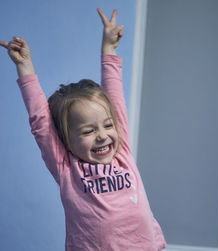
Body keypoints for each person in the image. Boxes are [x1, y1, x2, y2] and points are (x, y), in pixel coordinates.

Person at [0, 8, 167, 251]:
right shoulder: (66, 168)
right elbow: (41, 124)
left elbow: (116, 98)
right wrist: (25, 67)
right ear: (67, 140)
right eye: (88, 131)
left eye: (107, 125)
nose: (102, 135)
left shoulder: (122, 151)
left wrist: (109, 49)